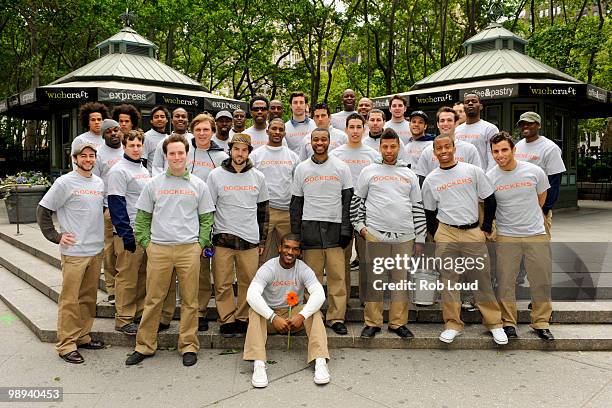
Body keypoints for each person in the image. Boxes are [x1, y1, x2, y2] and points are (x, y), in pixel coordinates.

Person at [125, 133, 215, 367]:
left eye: (180, 153)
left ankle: (188, 345)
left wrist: (199, 245)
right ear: (165, 156)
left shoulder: (199, 185)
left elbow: (207, 219)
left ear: (187, 155)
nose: (176, 157)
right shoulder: (153, 184)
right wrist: (147, 245)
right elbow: (142, 218)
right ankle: (144, 345)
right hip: (159, 250)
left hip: (189, 250)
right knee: (153, 299)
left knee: (190, 301)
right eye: (172, 153)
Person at [421, 134, 507, 345]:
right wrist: (437, 234)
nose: (443, 151)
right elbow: (429, 211)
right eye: (439, 148)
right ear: (434, 152)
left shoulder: (472, 171)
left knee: (482, 278)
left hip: (472, 232)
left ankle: (495, 324)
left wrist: (485, 227)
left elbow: (489, 199)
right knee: (449, 281)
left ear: (453, 148)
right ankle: (452, 324)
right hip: (447, 233)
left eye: (447, 147)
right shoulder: (431, 179)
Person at [352, 129, 426, 339]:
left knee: (400, 281)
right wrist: (362, 228)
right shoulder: (369, 171)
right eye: (385, 146)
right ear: (379, 147)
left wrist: (419, 238)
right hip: (376, 235)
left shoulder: (409, 174)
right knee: (375, 280)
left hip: (405, 236)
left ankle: (397, 323)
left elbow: (417, 207)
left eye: (393, 146)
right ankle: (372, 323)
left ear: (399, 147)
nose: (389, 150)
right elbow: (357, 203)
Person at [36, 143, 105, 364]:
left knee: (88, 298)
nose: (87, 159)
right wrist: (55, 236)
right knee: (70, 299)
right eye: (83, 155)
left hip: (95, 250)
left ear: (95, 158)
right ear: (74, 158)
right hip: (75, 252)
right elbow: (43, 210)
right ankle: (66, 344)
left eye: (91, 155)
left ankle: (83, 336)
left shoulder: (98, 182)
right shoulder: (64, 182)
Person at [487, 132, 554, 341]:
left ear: (514, 150)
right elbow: (489, 206)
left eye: (504, 150)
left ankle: (541, 323)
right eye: (496, 151)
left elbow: (542, 198)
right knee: (506, 282)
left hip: (536, 234)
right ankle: (508, 323)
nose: (500, 155)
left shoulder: (534, 171)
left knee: (540, 280)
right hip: (507, 236)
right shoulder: (490, 177)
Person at [244, 234, 330, 388]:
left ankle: (320, 361)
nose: (290, 252)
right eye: (287, 247)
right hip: (271, 317)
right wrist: (272, 317)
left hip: (294, 317)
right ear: (279, 248)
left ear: (299, 253)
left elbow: (319, 294)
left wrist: (302, 315)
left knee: (314, 311)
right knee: (254, 311)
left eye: (295, 249)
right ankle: (258, 364)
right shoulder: (268, 268)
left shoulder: (303, 268)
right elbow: (251, 295)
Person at [290, 127, 353, 335]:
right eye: (316, 139)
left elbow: (348, 201)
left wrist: (346, 229)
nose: (319, 143)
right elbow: (296, 204)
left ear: (329, 142)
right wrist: (296, 234)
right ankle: (312, 316)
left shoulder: (341, 167)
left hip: (335, 231)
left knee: (337, 278)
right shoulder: (301, 168)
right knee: (311, 279)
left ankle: (336, 317)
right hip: (310, 230)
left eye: (323, 139)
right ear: (310, 142)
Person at [207, 133, 270, 337]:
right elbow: (209, 209)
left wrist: (262, 240)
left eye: (244, 150)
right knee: (222, 282)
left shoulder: (258, 177)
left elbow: (263, 211)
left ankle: (243, 318)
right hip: (223, 238)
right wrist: (208, 238)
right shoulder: (215, 175)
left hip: (249, 240)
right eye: (236, 149)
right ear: (230, 150)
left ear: (249, 152)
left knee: (248, 281)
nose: (240, 153)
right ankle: (226, 319)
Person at [187, 114, 229, 331]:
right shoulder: (183, 152)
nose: (202, 133)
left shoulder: (222, 157)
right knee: (200, 269)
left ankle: (219, 310)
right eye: (198, 129)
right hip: (188, 218)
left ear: (213, 132)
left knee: (215, 265)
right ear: (192, 131)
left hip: (215, 217)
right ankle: (199, 311)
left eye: (206, 130)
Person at [330, 113, 378, 302]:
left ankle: (368, 298)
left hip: (366, 212)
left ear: (364, 129)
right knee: (342, 259)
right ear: (346, 129)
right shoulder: (336, 154)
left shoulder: (373, 155)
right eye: (352, 127)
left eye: (359, 127)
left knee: (367, 258)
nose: (355, 131)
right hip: (341, 211)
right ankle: (343, 298)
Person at [107, 129, 151, 335]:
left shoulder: (142, 168)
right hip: (128, 233)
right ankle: (124, 319)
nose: (135, 148)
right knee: (126, 276)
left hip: (144, 232)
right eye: (131, 145)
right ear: (124, 146)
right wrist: (126, 234)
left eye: (138, 145)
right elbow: (116, 204)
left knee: (142, 275)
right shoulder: (119, 170)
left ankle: (139, 312)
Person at [250, 118, 299, 265]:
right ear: (267, 131)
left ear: (285, 133)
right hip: (265, 212)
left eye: (281, 129)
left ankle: (287, 286)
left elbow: (297, 184)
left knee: (289, 254)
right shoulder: (256, 156)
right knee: (260, 254)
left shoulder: (293, 157)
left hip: (286, 212)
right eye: (274, 129)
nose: (277, 132)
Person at [514, 111, 566, 239]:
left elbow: (554, 182)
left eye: (530, 123)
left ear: (539, 125)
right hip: (518, 206)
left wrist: (544, 209)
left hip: (539, 206)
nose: (525, 126)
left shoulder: (550, 148)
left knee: (539, 247)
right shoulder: (518, 146)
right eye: (523, 124)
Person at [93, 119, 124, 305]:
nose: (113, 134)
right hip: (109, 207)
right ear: (103, 134)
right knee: (110, 249)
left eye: (116, 130)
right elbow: (95, 183)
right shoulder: (99, 155)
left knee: (126, 250)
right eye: (109, 131)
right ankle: (112, 288)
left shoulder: (127, 148)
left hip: (130, 207)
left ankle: (126, 285)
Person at [414, 106, 481, 184]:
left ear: (456, 123)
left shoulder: (470, 149)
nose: (445, 124)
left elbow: (477, 177)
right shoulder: (427, 151)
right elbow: (422, 180)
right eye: (442, 121)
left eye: (449, 120)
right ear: (438, 124)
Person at [454, 94, 499, 170]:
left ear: (481, 106)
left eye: (474, 101)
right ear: (464, 107)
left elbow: (493, 158)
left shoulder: (490, 129)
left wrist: (486, 178)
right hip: (461, 178)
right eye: (467, 102)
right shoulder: (456, 130)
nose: (470, 103)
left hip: (481, 176)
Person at [151, 108, 194, 175]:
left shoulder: (195, 141)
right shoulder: (163, 142)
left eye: (183, 116)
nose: (180, 119)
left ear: (188, 120)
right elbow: (157, 167)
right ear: (171, 120)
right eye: (177, 116)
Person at [143, 105, 169, 174]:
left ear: (167, 120)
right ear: (151, 121)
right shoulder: (146, 137)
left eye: (162, 117)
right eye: (156, 117)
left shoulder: (169, 138)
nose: (159, 119)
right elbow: (143, 162)